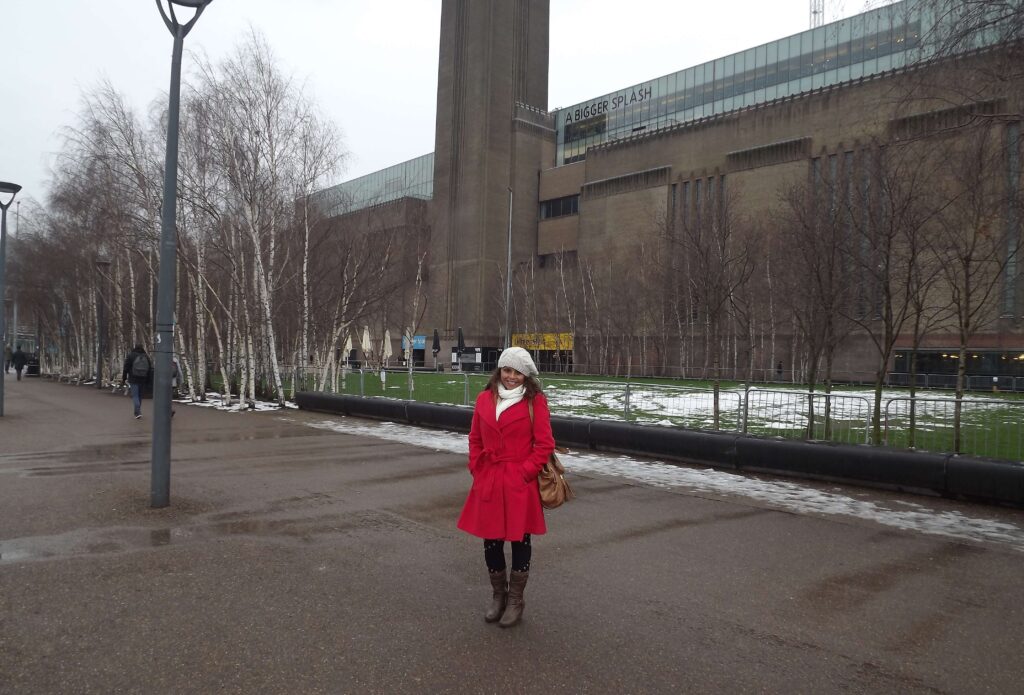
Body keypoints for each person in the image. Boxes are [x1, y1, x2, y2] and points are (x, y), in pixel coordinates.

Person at [457, 346, 554, 628]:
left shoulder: (535, 402)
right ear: (499, 370)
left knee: (520, 539)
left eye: (518, 373)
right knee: (491, 539)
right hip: (489, 476)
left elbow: (544, 444)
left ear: (527, 376)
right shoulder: (484, 398)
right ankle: (498, 596)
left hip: (518, 480)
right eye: (507, 370)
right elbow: (475, 438)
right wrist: (477, 467)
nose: (511, 377)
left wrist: (525, 473)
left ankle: (515, 600)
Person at [121, 345, 151, 419]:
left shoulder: (131, 356)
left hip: (133, 378)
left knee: (135, 395)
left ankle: (137, 412)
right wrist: (148, 380)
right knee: (140, 395)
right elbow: (149, 369)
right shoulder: (146, 356)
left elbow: (126, 368)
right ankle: (137, 411)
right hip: (143, 378)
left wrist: (124, 378)